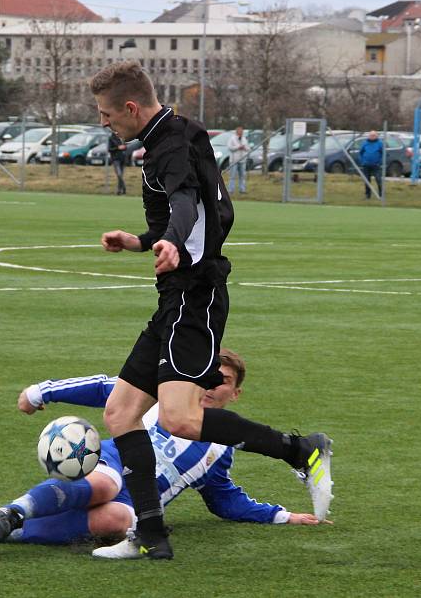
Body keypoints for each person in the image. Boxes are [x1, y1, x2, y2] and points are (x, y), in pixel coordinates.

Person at [88, 61, 332, 560]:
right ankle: (150, 534)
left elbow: (183, 205)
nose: (104, 124)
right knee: (121, 413)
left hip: (193, 297)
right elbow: (203, 213)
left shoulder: (170, 145)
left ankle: (300, 449)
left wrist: (172, 242)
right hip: (177, 294)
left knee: (178, 418)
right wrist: (140, 242)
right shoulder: (178, 134)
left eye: (107, 115)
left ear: (131, 108)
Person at [0, 350, 326, 550]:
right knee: (106, 486)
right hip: (112, 464)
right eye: (205, 375)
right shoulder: (160, 395)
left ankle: (1, 532)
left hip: (139, 501)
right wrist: (41, 392)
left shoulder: (221, 450)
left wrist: (282, 516)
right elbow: (101, 388)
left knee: (117, 520)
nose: (211, 385)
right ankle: (12, 512)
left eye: (221, 381)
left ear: (235, 392)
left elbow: (225, 500)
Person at [358, 130, 383, 199]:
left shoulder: (380, 143)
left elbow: (383, 153)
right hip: (366, 165)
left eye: (374, 135)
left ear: (376, 136)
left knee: (378, 179)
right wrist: (362, 161)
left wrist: (380, 162)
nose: (372, 137)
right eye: (371, 135)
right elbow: (360, 153)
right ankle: (367, 195)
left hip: (376, 165)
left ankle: (381, 194)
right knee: (367, 180)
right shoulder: (365, 143)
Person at [227, 126, 250, 194]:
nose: (241, 132)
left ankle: (242, 190)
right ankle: (231, 190)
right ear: (237, 131)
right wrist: (238, 147)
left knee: (242, 176)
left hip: (242, 160)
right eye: (240, 131)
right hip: (234, 160)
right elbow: (229, 147)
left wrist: (245, 148)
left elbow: (248, 148)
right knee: (232, 176)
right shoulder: (232, 138)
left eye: (242, 131)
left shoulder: (244, 139)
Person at [107, 131, 127, 195]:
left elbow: (125, 147)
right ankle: (124, 188)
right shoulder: (111, 138)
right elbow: (109, 149)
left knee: (120, 176)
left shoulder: (122, 137)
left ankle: (119, 191)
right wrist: (117, 148)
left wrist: (125, 147)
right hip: (115, 159)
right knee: (119, 174)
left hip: (122, 159)